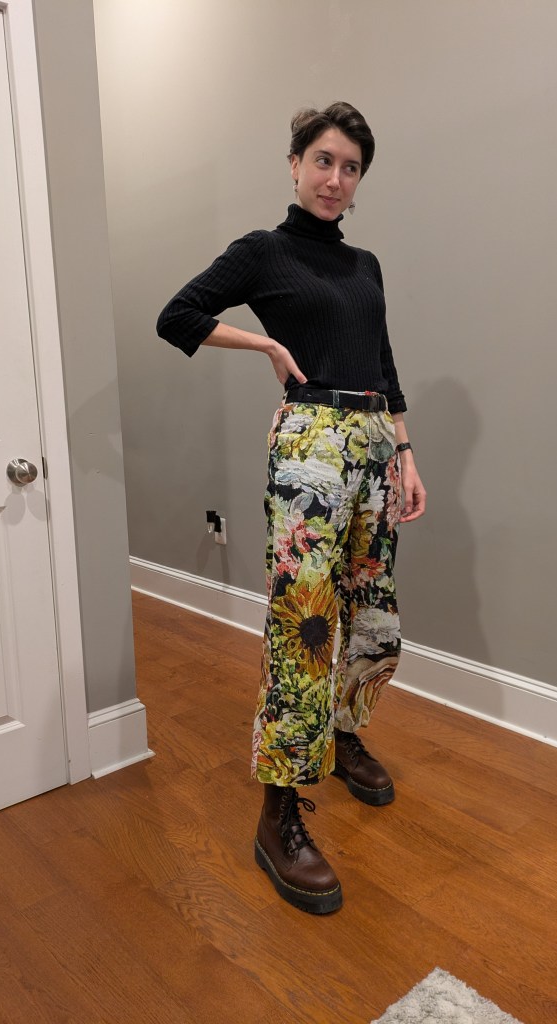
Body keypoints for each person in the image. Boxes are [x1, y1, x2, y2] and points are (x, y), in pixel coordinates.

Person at [156, 102, 426, 913]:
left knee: (373, 618)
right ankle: (278, 810)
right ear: (295, 164)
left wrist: (406, 452)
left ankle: (344, 733)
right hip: (309, 446)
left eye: (350, 168)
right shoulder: (263, 251)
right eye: (323, 161)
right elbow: (177, 316)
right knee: (304, 625)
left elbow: (383, 362)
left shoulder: (366, 264)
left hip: (374, 443)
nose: (334, 179)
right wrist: (266, 345)